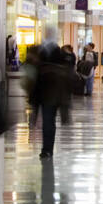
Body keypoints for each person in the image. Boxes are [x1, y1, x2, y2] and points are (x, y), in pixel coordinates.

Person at [34, 30, 72, 159]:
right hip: (57, 93)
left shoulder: (39, 52)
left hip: (45, 94)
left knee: (47, 121)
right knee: (50, 122)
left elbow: (34, 75)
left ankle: (46, 150)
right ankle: (48, 149)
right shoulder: (61, 54)